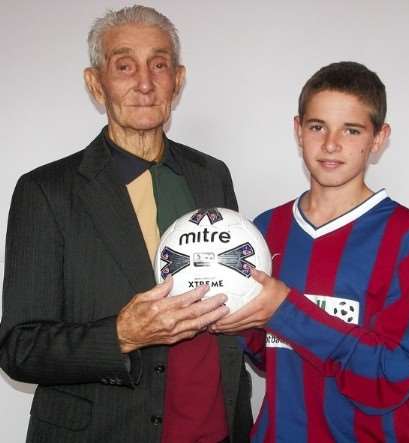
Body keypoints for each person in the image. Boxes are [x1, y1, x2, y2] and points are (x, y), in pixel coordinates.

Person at [0, 5, 252, 443]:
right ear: (96, 84)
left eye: (159, 64)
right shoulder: (47, 191)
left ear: (179, 79)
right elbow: (19, 348)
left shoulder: (213, 174)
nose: (144, 83)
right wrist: (120, 334)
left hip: (216, 429)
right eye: (124, 66)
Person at [213, 61, 409, 442]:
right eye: (317, 126)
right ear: (298, 130)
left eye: (351, 130)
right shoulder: (265, 229)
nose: (331, 143)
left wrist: (287, 310)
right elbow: (266, 357)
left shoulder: (406, 236)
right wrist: (231, 320)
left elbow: (393, 371)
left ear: (378, 138)